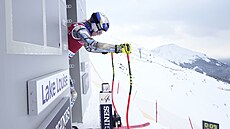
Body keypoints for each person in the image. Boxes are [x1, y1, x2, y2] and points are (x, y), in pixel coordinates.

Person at [68, 12, 132, 106]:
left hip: (62, 63)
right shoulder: (80, 29)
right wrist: (117, 48)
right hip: (58, 62)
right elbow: (92, 45)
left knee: (72, 95)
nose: (99, 34)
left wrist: (105, 50)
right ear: (95, 25)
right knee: (72, 95)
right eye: (99, 31)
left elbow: (89, 48)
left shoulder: (84, 30)